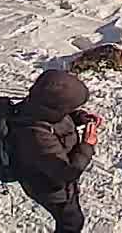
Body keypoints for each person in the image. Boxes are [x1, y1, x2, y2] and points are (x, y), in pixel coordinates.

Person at [10, 69, 101, 233]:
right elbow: (66, 172)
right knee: (71, 222)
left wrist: (81, 117)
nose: (70, 110)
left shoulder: (37, 105)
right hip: (49, 188)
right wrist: (87, 145)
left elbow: (61, 117)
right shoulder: (36, 135)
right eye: (70, 107)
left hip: (52, 176)